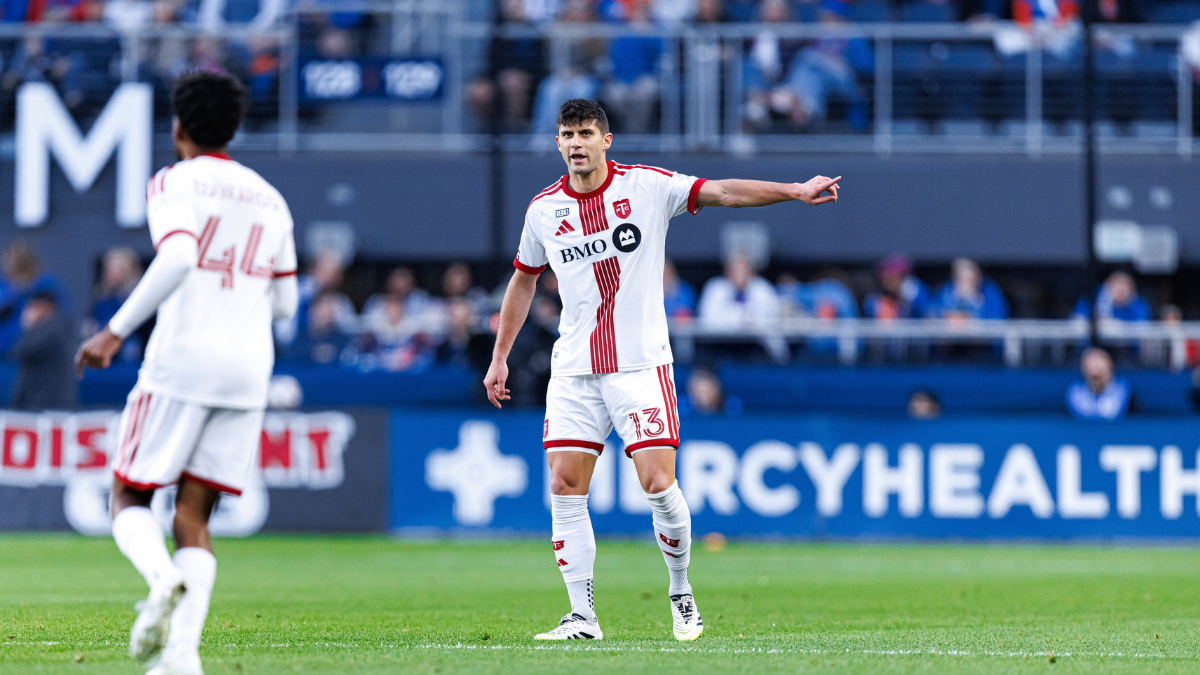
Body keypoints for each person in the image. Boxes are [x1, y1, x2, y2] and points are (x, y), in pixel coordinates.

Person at [483, 98, 839, 642]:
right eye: (566, 135)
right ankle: (582, 616)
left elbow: (720, 192)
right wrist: (500, 355)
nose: (575, 143)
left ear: (607, 140)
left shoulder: (646, 187)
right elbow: (524, 280)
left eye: (585, 134)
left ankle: (680, 589)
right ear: (557, 143)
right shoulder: (543, 211)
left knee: (657, 482)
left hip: (640, 366)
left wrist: (792, 191)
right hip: (575, 370)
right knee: (564, 485)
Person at [75, 71, 299, 675]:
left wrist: (113, 330)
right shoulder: (270, 198)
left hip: (183, 361)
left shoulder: (176, 180)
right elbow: (285, 306)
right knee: (194, 516)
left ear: (177, 127)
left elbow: (177, 255)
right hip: (249, 370)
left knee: (129, 493)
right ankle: (181, 659)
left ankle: (159, 576)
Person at [11, 291, 76, 411]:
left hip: (47, 406)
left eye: (32, 307)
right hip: (41, 406)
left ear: (46, 307)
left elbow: (22, 350)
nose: (28, 312)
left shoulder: (54, 329)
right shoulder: (54, 328)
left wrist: (29, 327)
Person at [1067, 347, 1132, 420]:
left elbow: (1112, 412)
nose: (1096, 372)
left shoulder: (1123, 389)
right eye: (1091, 368)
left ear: (1110, 369)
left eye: (1100, 368)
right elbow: (1081, 414)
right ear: (1084, 370)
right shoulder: (1075, 391)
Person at [1072, 271, 1150, 322]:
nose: (1121, 288)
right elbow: (1077, 320)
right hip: (1094, 345)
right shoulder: (1091, 298)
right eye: (1116, 283)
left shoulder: (1137, 304)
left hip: (1125, 346)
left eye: (1125, 285)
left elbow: (1140, 328)